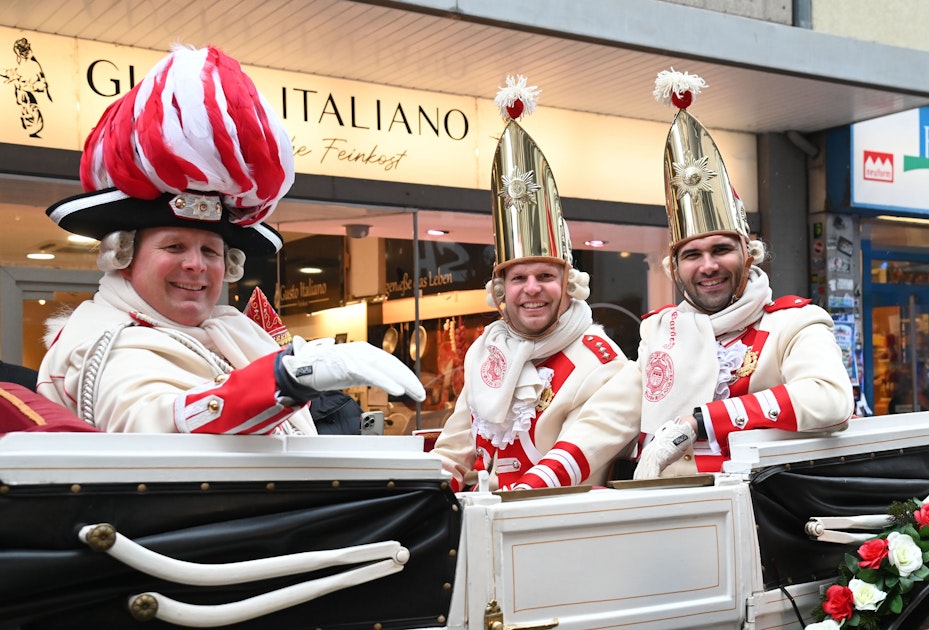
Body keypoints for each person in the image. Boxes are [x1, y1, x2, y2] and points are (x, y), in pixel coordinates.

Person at [37, 46, 424, 434]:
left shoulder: (230, 331)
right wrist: (285, 380)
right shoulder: (106, 342)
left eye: (210, 250)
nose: (196, 264)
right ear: (123, 255)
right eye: (174, 246)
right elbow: (155, 423)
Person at [632, 69, 854, 479]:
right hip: (664, 511)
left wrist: (702, 419)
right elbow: (622, 414)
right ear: (676, 269)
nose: (708, 266)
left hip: (757, 518)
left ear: (748, 255)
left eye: (721, 249)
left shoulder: (796, 323)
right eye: (692, 255)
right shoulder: (658, 332)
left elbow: (831, 400)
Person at [430, 76, 639, 492]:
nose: (531, 288)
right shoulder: (484, 353)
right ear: (500, 291)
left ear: (569, 285)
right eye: (518, 278)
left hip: (558, 531)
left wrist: (503, 503)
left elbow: (573, 457)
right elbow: (453, 452)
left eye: (545, 276)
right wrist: (422, 497)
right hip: (482, 523)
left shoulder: (604, 363)